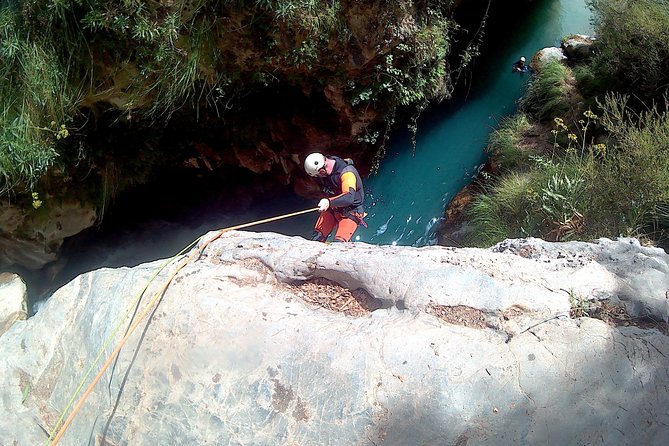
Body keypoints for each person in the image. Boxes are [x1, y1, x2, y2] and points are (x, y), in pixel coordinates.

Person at [303, 152, 366, 242]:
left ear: (322, 170)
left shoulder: (347, 173)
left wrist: (328, 202)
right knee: (317, 238)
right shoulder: (328, 166)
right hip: (334, 208)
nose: (320, 177)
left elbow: (349, 197)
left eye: (319, 174)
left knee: (338, 245)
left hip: (351, 211)